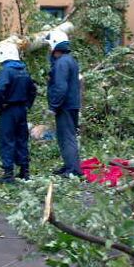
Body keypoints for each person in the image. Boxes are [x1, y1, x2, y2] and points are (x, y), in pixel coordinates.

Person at [0, 43, 37, 184]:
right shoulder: (24, 71)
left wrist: (1, 104)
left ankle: (8, 173)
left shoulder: (6, 71)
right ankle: (24, 171)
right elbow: (33, 89)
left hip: (9, 110)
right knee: (21, 139)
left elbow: (0, 89)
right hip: (21, 110)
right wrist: (28, 104)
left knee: (7, 140)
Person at [45, 30, 83, 177]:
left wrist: (53, 106)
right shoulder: (69, 60)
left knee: (67, 137)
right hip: (70, 104)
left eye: (50, 46)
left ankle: (73, 170)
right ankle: (69, 166)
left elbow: (61, 87)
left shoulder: (62, 63)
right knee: (65, 136)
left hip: (65, 106)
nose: (49, 49)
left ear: (55, 45)